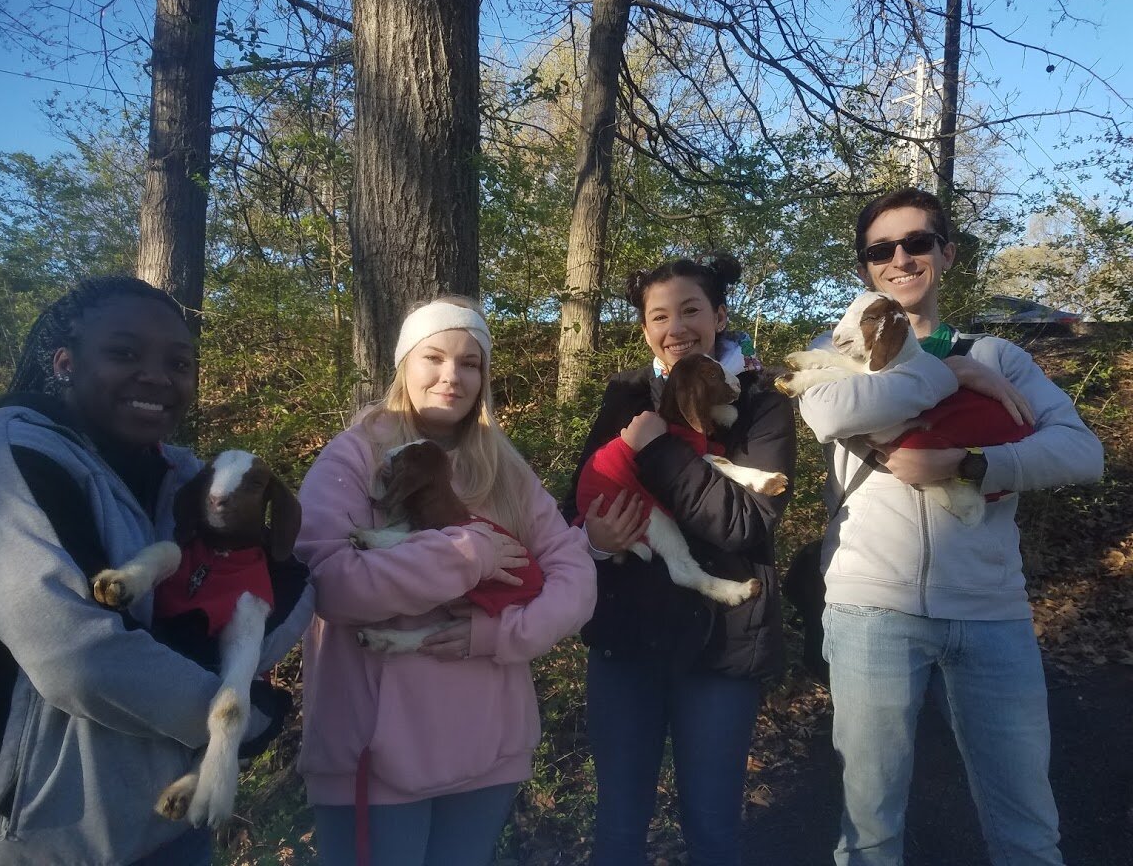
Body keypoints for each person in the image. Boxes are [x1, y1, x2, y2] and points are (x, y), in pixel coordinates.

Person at [0, 276, 313, 866]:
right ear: (65, 361)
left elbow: (268, 602)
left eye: (179, 362)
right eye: (124, 353)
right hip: (40, 835)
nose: (157, 376)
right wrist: (240, 719)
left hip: (170, 824)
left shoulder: (184, 480)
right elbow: (82, 659)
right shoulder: (11, 465)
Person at [796, 187, 1104, 865]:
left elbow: (1083, 453)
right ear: (864, 269)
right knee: (869, 832)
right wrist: (948, 374)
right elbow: (827, 417)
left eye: (917, 242)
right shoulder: (835, 350)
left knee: (1026, 825)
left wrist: (965, 463)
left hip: (991, 613)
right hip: (871, 610)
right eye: (881, 249)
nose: (900, 258)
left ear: (946, 253)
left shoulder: (997, 357)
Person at [295, 296, 597, 866]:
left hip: (490, 749)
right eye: (433, 357)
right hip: (375, 757)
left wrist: (497, 635)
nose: (451, 377)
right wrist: (468, 553)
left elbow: (574, 573)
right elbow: (329, 582)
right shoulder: (358, 456)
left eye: (470, 363)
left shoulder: (502, 465)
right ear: (404, 363)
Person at [563, 256, 796, 866]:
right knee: (617, 827)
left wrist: (660, 447)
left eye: (691, 310)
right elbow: (575, 511)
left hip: (721, 643)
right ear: (644, 329)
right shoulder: (625, 396)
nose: (676, 328)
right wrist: (595, 543)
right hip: (625, 639)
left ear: (718, 316)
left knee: (712, 828)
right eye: (658, 316)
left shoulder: (760, 403)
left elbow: (746, 524)